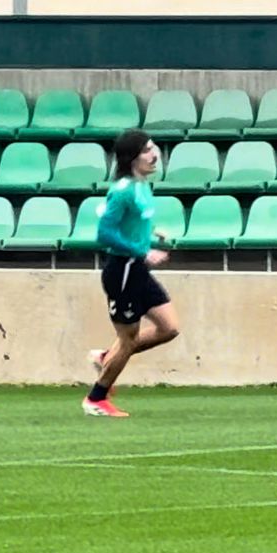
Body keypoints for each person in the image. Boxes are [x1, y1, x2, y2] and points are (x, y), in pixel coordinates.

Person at [83, 129, 180, 417]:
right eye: (147, 150)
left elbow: (131, 224)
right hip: (122, 271)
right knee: (128, 339)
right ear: (132, 158)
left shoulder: (142, 186)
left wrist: (151, 233)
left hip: (137, 270)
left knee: (169, 328)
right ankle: (95, 399)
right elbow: (105, 233)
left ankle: (106, 357)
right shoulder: (123, 191)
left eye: (153, 148)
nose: (154, 155)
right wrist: (143, 251)